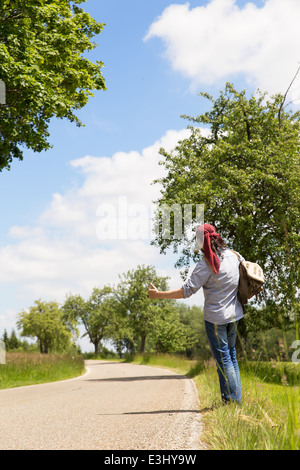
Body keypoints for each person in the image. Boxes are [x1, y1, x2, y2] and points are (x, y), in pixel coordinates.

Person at [148, 223, 244, 404]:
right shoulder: (234, 256)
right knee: (231, 357)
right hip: (234, 316)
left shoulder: (207, 264)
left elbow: (186, 291)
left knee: (224, 362)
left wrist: (158, 295)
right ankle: (236, 401)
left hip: (216, 320)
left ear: (202, 241)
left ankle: (232, 402)